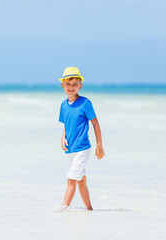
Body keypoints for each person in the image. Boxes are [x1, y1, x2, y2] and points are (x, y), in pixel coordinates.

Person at [53, 67, 105, 212]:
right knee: (80, 180)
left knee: (71, 179)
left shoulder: (85, 103)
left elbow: (95, 123)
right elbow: (66, 124)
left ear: (80, 86)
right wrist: (62, 138)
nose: (71, 88)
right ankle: (89, 209)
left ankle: (63, 206)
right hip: (70, 149)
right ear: (63, 85)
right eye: (68, 84)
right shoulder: (63, 105)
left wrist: (99, 145)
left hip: (82, 148)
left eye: (75, 84)